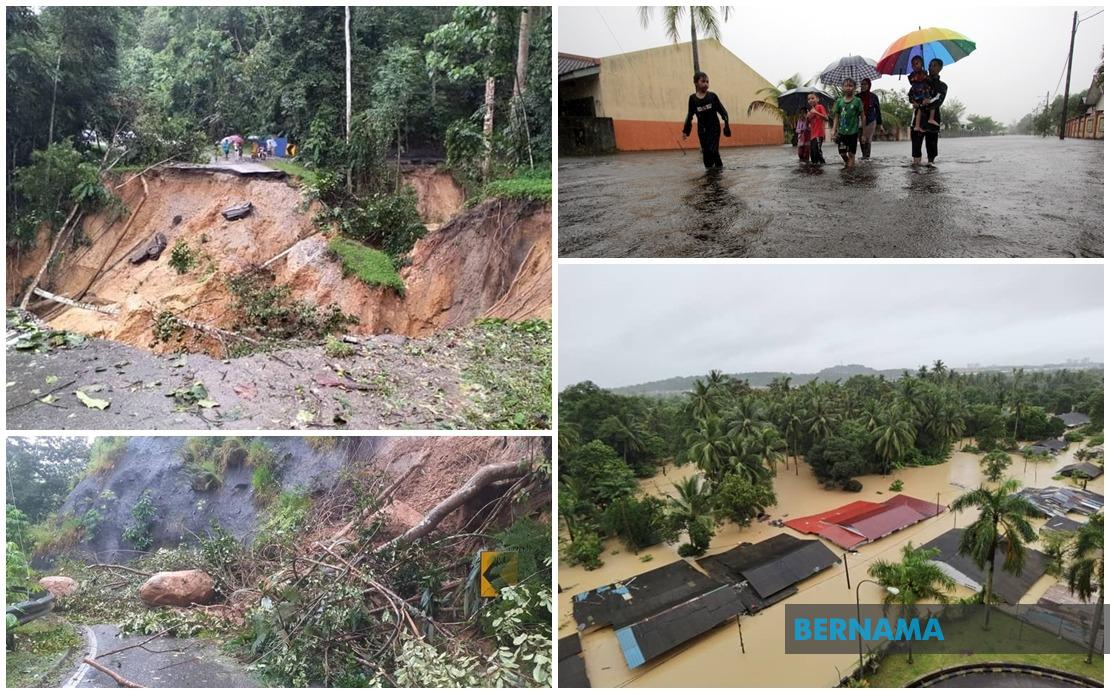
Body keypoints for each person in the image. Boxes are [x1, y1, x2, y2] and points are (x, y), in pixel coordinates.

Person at [682, 71, 732, 170]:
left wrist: (726, 126)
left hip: (714, 129)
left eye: (707, 82)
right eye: (703, 81)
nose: (706, 84)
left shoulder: (712, 96)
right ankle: (710, 172)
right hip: (702, 131)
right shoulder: (692, 99)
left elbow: (723, 112)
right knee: (706, 153)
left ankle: (718, 172)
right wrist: (686, 131)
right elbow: (690, 115)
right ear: (696, 83)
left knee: (712, 150)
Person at [911, 58, 948, 166]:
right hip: (918, 119)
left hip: (933, 119)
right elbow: (911, 94)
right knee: (916, 147)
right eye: (930, 65)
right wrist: (914, 101)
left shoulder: (942, 86)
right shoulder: (920, 79)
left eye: (934, 65)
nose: (931, 67)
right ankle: (916, 169)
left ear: (940, 68)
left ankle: (930, 170)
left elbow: (939, 100)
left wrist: (926, 101)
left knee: (931, 150)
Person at [832, 78, 864, 169]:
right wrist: (834, 130)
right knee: (842, 152)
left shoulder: (857, 101)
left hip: (853, 132)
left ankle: (850, 171)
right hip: (842, 132)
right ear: (842, 87)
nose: (848, 88)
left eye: (851, 86)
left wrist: (864, 133)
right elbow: (836, 117)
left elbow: (863, 116)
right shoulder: (839, 101)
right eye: (846, 86)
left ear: (854, 88)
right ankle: (848, 163)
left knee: (851, 153)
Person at [857, 78, 882, 159]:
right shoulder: (857, 97)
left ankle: (866, 157)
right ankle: (864, 155)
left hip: (871, 121)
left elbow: (878, 111)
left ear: (869, 85)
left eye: (865, 84)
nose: (863, 86)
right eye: (862, 84)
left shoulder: (873, 97)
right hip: (860, 121)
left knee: (867, 139)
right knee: (861, 139)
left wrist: (879, 124)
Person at [805, 92, 828, 165]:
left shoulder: (820, 107)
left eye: (812, 98)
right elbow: (807, 125)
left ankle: (823, 165)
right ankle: (816, 168)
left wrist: (816, 112)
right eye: (809, 99)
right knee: (812, 154)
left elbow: (826, 118)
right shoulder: (810, 111)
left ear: (817, 99)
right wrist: (807, 118)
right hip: (812, 135)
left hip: (819, 134)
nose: (810, 100)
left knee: (817, 151)